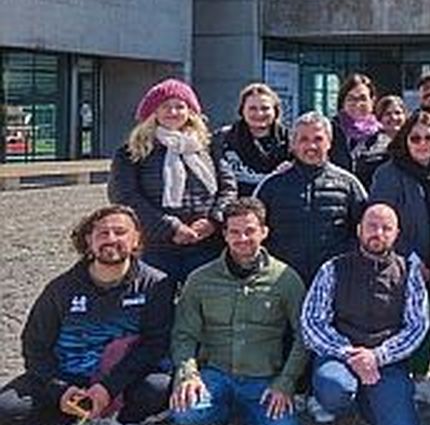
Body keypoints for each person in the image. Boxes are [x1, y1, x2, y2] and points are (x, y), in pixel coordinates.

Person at [0, 205, 172, 425]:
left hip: (124, 378)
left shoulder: (155, 284)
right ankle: (65, 422)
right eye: (103, 233)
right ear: (88, 240)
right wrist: (61, 390)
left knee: (160, 388)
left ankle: (123, 423)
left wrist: (108, 387)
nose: (111, 239)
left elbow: (155, 344)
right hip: (69, 378)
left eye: (120, 232)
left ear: (136, 238)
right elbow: (35, 347)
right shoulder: (61, 288)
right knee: (6, 407)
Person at [169, 198, 306, 425]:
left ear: (264, 232)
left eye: (250, 231)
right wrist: (188, 374)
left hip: (263, 380)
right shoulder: (200, 280)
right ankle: (222, 415)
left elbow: (303, 336)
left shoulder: (286, 279)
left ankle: (250, 415)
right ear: (224, 235)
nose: (242, 238)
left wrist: (285, 383)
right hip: (216, 374)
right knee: (185, 412)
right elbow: (184, 334)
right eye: (234, 232)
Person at [300, 203, 429, 425]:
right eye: (372, 226)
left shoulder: (409, 272)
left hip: (386, 359)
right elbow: (312, 323)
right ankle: (338, 413)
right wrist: (350, 354)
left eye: (386, 228)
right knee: (334, 389)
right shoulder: (333, 268)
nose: (378, 233)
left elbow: (417, 326)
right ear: (359, 230)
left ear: (396, 234)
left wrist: (377, 356)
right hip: (340, 356)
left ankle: (370, 403)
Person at [368, 111, 430, 407]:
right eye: (416, 138)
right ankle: (406, 380)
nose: (423, 144)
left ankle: (424, 377)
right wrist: (410, 257)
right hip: (408, 260)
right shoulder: (390, 173)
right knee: (411, 321)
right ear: (405, 140)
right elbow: (382, 221)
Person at [108, 78, 236, 290]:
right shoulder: (132, 151)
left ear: (190, 111)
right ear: (153, 112)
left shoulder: (207, 147)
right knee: (157, 304)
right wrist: (171, 227)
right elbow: (124, 196)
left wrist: (214, 219)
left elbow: (228, 188)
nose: (173, 112)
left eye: (180, 106)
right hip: (156, 246)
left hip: (205, 243)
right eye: (165, 106)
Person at [255, 112, 367, 290]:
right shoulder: (271, 185)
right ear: (293, 144)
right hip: (281, 283)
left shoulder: (349, 185)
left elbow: (363, 232)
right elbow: (255, 233)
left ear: (329, 142)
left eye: (318, 139)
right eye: (303, 139)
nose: (311, 146)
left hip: (334, 282)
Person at [212, 82, 290, 197]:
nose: (259, 113)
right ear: (242, 110)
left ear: (275, 111)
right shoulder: (222, 139)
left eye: (265, 108)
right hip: (235, 209)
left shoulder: (291, 142)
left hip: (277, 208)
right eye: (252, 108)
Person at [329, 73, 383, 177]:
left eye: (363, 98)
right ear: (343, 102)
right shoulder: (329, 132)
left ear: (372, 101)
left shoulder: (382, 136)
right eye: (351, 98)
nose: (357, 104)